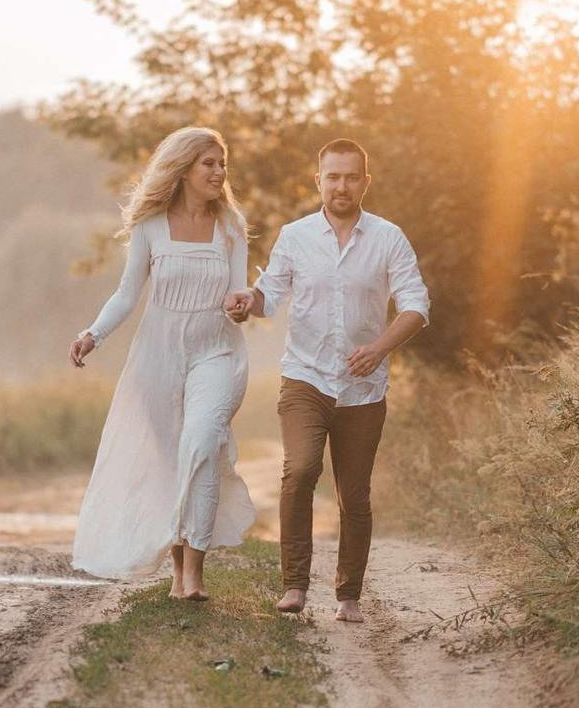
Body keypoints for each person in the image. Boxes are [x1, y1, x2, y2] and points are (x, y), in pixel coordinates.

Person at [224, 138, 428, 622]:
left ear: (365, 182)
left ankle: (348, 596)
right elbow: (268, 296)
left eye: (351, 177)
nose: (341, 186)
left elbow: (417, 306)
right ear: (318, 181)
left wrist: (379, 348)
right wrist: (246, 302)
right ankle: (294, 586)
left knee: (354, 495)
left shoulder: (388, 238)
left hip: (363, 388)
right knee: (300, 470)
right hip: (306, 379)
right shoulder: (295, 236)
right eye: (333, 177)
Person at [69, 126, 256, 599]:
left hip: (217, 350)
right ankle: (176, 570)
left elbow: (239, 292)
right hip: (158, 355)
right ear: (184, 168)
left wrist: (240, 306)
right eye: (209, 163)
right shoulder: (151, 226)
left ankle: (194, 572)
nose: (219, 172)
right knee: (172, 459)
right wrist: (93, 334)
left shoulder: (231, 226)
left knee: (202, 442)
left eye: (222, 164)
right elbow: (126, 294)